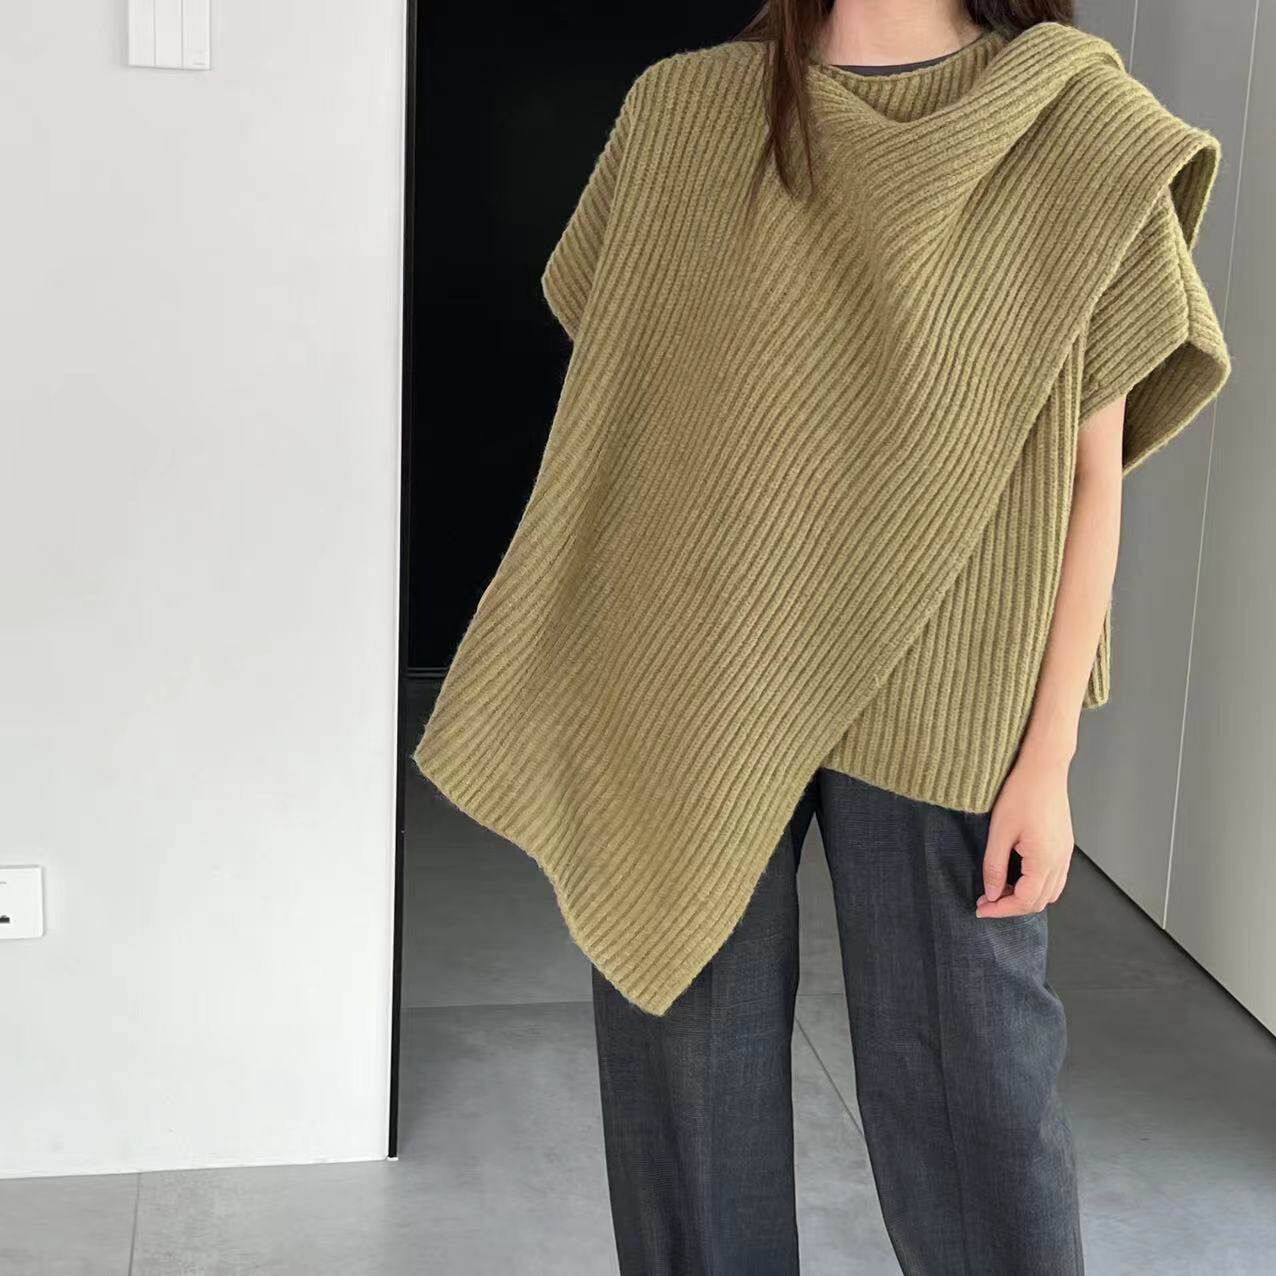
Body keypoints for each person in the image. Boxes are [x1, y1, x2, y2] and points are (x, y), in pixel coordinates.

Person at [413, 1, 1231, 1271]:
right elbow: (642, 387)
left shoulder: (1080, 127)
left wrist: (1048, 759)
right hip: (705, 670)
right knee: (685, 1079)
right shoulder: (689, 114)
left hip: (950, 680)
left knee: (978, 1091)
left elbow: (1089, 480)